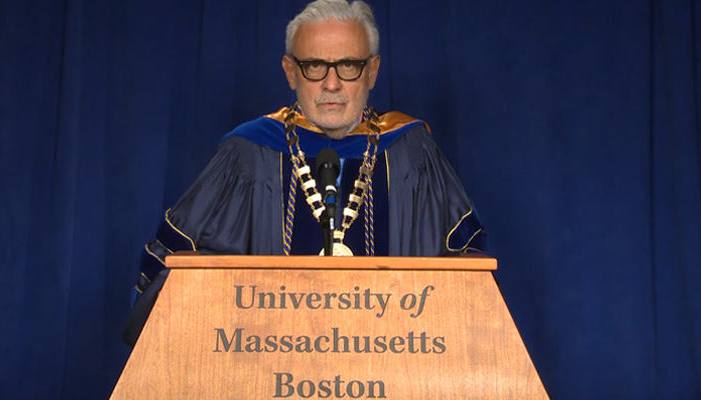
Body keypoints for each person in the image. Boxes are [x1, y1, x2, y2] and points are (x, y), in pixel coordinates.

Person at [122, 0, 487, 346]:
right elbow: (179, 269)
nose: (331, 84)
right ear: (290, 71)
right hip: (270, 372)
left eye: (348, 65)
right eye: (314, 66)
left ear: (372, 71)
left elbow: (465, 279)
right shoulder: (248, 152)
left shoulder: (411, 153)